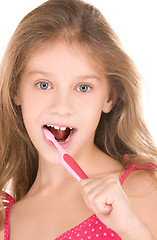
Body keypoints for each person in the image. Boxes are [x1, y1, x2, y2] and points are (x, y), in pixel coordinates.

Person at [0, 0, 157, 239]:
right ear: (15, 90)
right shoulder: (8, 222)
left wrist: (132, 231)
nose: (62, 107)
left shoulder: (144, 190)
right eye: (44, 85)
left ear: (109, 98)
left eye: (83, 87)